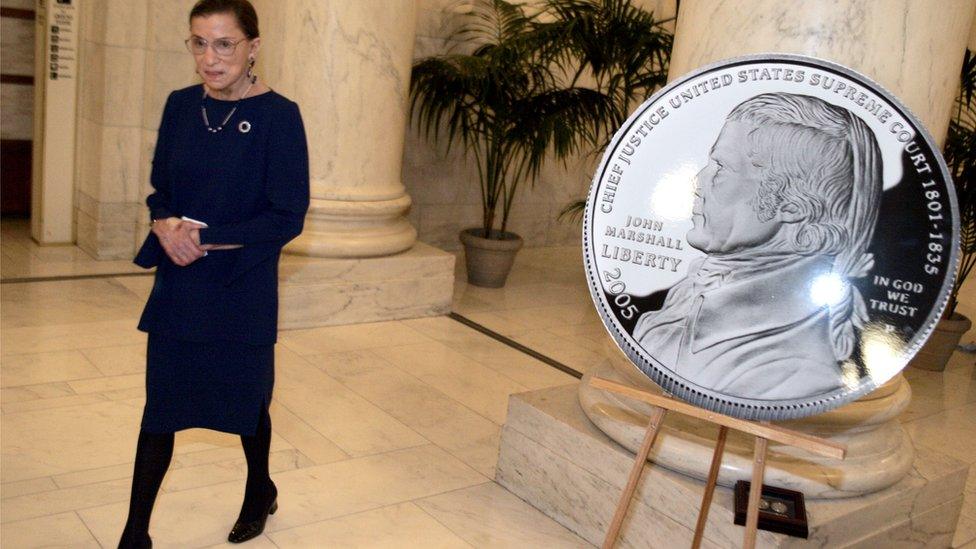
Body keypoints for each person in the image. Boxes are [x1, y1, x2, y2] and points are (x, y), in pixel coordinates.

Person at [119, 1, 309, 546]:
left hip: (240, 286)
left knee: (246, 401)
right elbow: (160, 188)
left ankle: (259, 491)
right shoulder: (180, 106)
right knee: (162, 405)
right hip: (180, 285)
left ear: (253, 45)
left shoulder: (279, 116)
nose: (210, 56)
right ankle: (135, 532)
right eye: (199, 42)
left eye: (224, 44)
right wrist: (163, 224)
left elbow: (287, 213)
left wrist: (201, 237)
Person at [632, 92, 882, 400]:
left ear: (793, 205)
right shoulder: (695, 292)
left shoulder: (795, 374)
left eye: (721, 167)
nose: (698, 181)